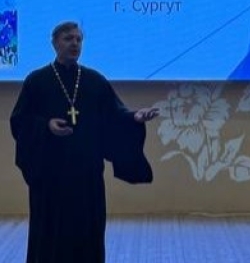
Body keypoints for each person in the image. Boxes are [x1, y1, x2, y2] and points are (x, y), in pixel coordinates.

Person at [10, 21, 159, 263]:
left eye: (79, 39)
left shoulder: (94, 81)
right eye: (68, 39)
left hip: (86, 176)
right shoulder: (36, 81)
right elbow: (20, 120)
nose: (75, 44)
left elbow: (115, 114)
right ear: (55, 43)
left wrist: (135, 117)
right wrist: (46, 126)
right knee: (50, 236)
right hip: (51, 177)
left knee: (88, 235)